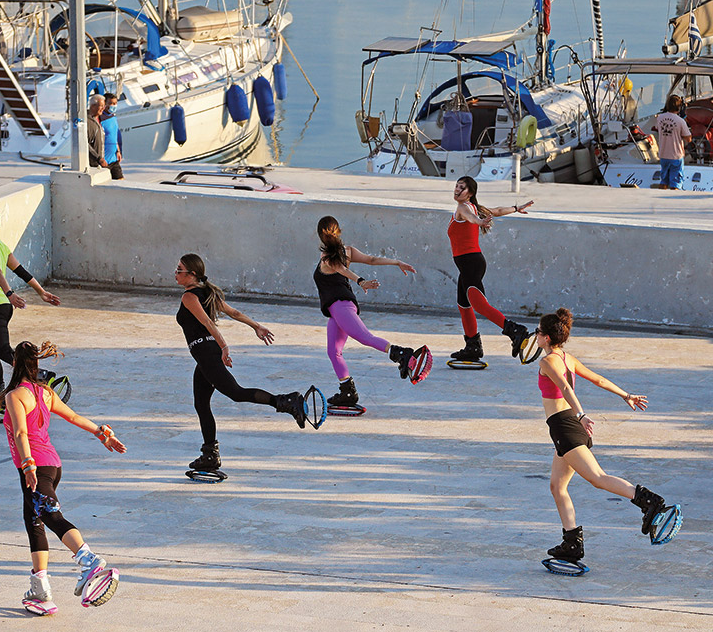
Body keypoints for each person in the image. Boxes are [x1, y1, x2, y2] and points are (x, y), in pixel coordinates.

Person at [536, 308, 678, 564]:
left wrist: (581, 414)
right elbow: (599, 380)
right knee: (557, 486)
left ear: (546, 338)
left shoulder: (547, 362)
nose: (535, 336)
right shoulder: (568, 358)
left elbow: (565, 387)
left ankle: (649, 501)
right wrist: (626, 395)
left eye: (537, 332)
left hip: (566, 427)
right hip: (567, 427)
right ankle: (572, 542)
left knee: (598, 478)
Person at [3, 340, 126, 614]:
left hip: (36, 468)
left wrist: (27, 465)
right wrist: (101, 433)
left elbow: (21, 433)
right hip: (52, 466)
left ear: (15, 363)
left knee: (51, 517)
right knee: (34, 521)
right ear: (36, 363)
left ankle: (88, 559)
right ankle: (40, 589)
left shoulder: (15, 395)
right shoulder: (45, 392)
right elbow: (73, 416)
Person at [175, 253, 313, 474]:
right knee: (201, 404)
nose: (175, 273)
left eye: (179, 270)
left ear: (192, 274)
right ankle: (210, 454)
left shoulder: (189, 297)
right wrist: (256, 326)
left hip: (207, 353)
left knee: (236, 393)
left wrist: (224, 346)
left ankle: (286, 401)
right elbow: (234, 312)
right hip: (204, 357)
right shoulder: (207, 293)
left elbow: (208, 322)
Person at [314, 216, 428, 410]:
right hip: (337, 311)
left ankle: (401, 353)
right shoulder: (347, 251)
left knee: (365, 337)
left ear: (320, 236)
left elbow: (341, 269)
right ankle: (347, 391)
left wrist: (360, 281)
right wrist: (396, 262)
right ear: (338, 231)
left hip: (341, 306)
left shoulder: (327, 258)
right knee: (333, 352)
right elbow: (372, 260)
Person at [0, 207, 61, 420]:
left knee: (1, 349)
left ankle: (40, 376)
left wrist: (9, 293)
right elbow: (21, 271)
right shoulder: (1, 246)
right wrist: (41, 292)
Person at [448, 176, 535, 365]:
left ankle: (515, 330)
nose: (457, 190)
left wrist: (479, 222)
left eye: (462, 187)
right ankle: (473, 346)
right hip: (469, 264)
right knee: (464, 305)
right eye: (456, 186)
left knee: (479, 305)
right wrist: (516, 208)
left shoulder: (465, 208)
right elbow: (496, 211)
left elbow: (471, 218)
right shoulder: (475, 207)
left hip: (470, 263)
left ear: (470, 193)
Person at [655, 94, 690, 190]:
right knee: (675, 183)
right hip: (676, 156)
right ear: (679, 107)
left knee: (664, 181)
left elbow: (658, 128)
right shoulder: (680, 121)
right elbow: (688, 138)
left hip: (663, 155)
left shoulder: (659, 118)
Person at [101, 92, 124, 180]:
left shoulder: (113, 117)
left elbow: (114, 137)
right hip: (104, 161)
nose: (113, 106)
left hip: (114, 159)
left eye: (115, 103)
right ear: (105, 104)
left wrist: (118, 151)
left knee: (121, 181)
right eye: (111, 103)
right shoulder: (100, 119)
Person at [86, 94, 108, 169]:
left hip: (100, 163)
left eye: (104, 106)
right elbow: (84, 143)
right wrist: (98, 158)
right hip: (93, 165)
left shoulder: (98, 119)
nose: (103, 108)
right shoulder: (87, 121)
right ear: (93, 106)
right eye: (101, 106)